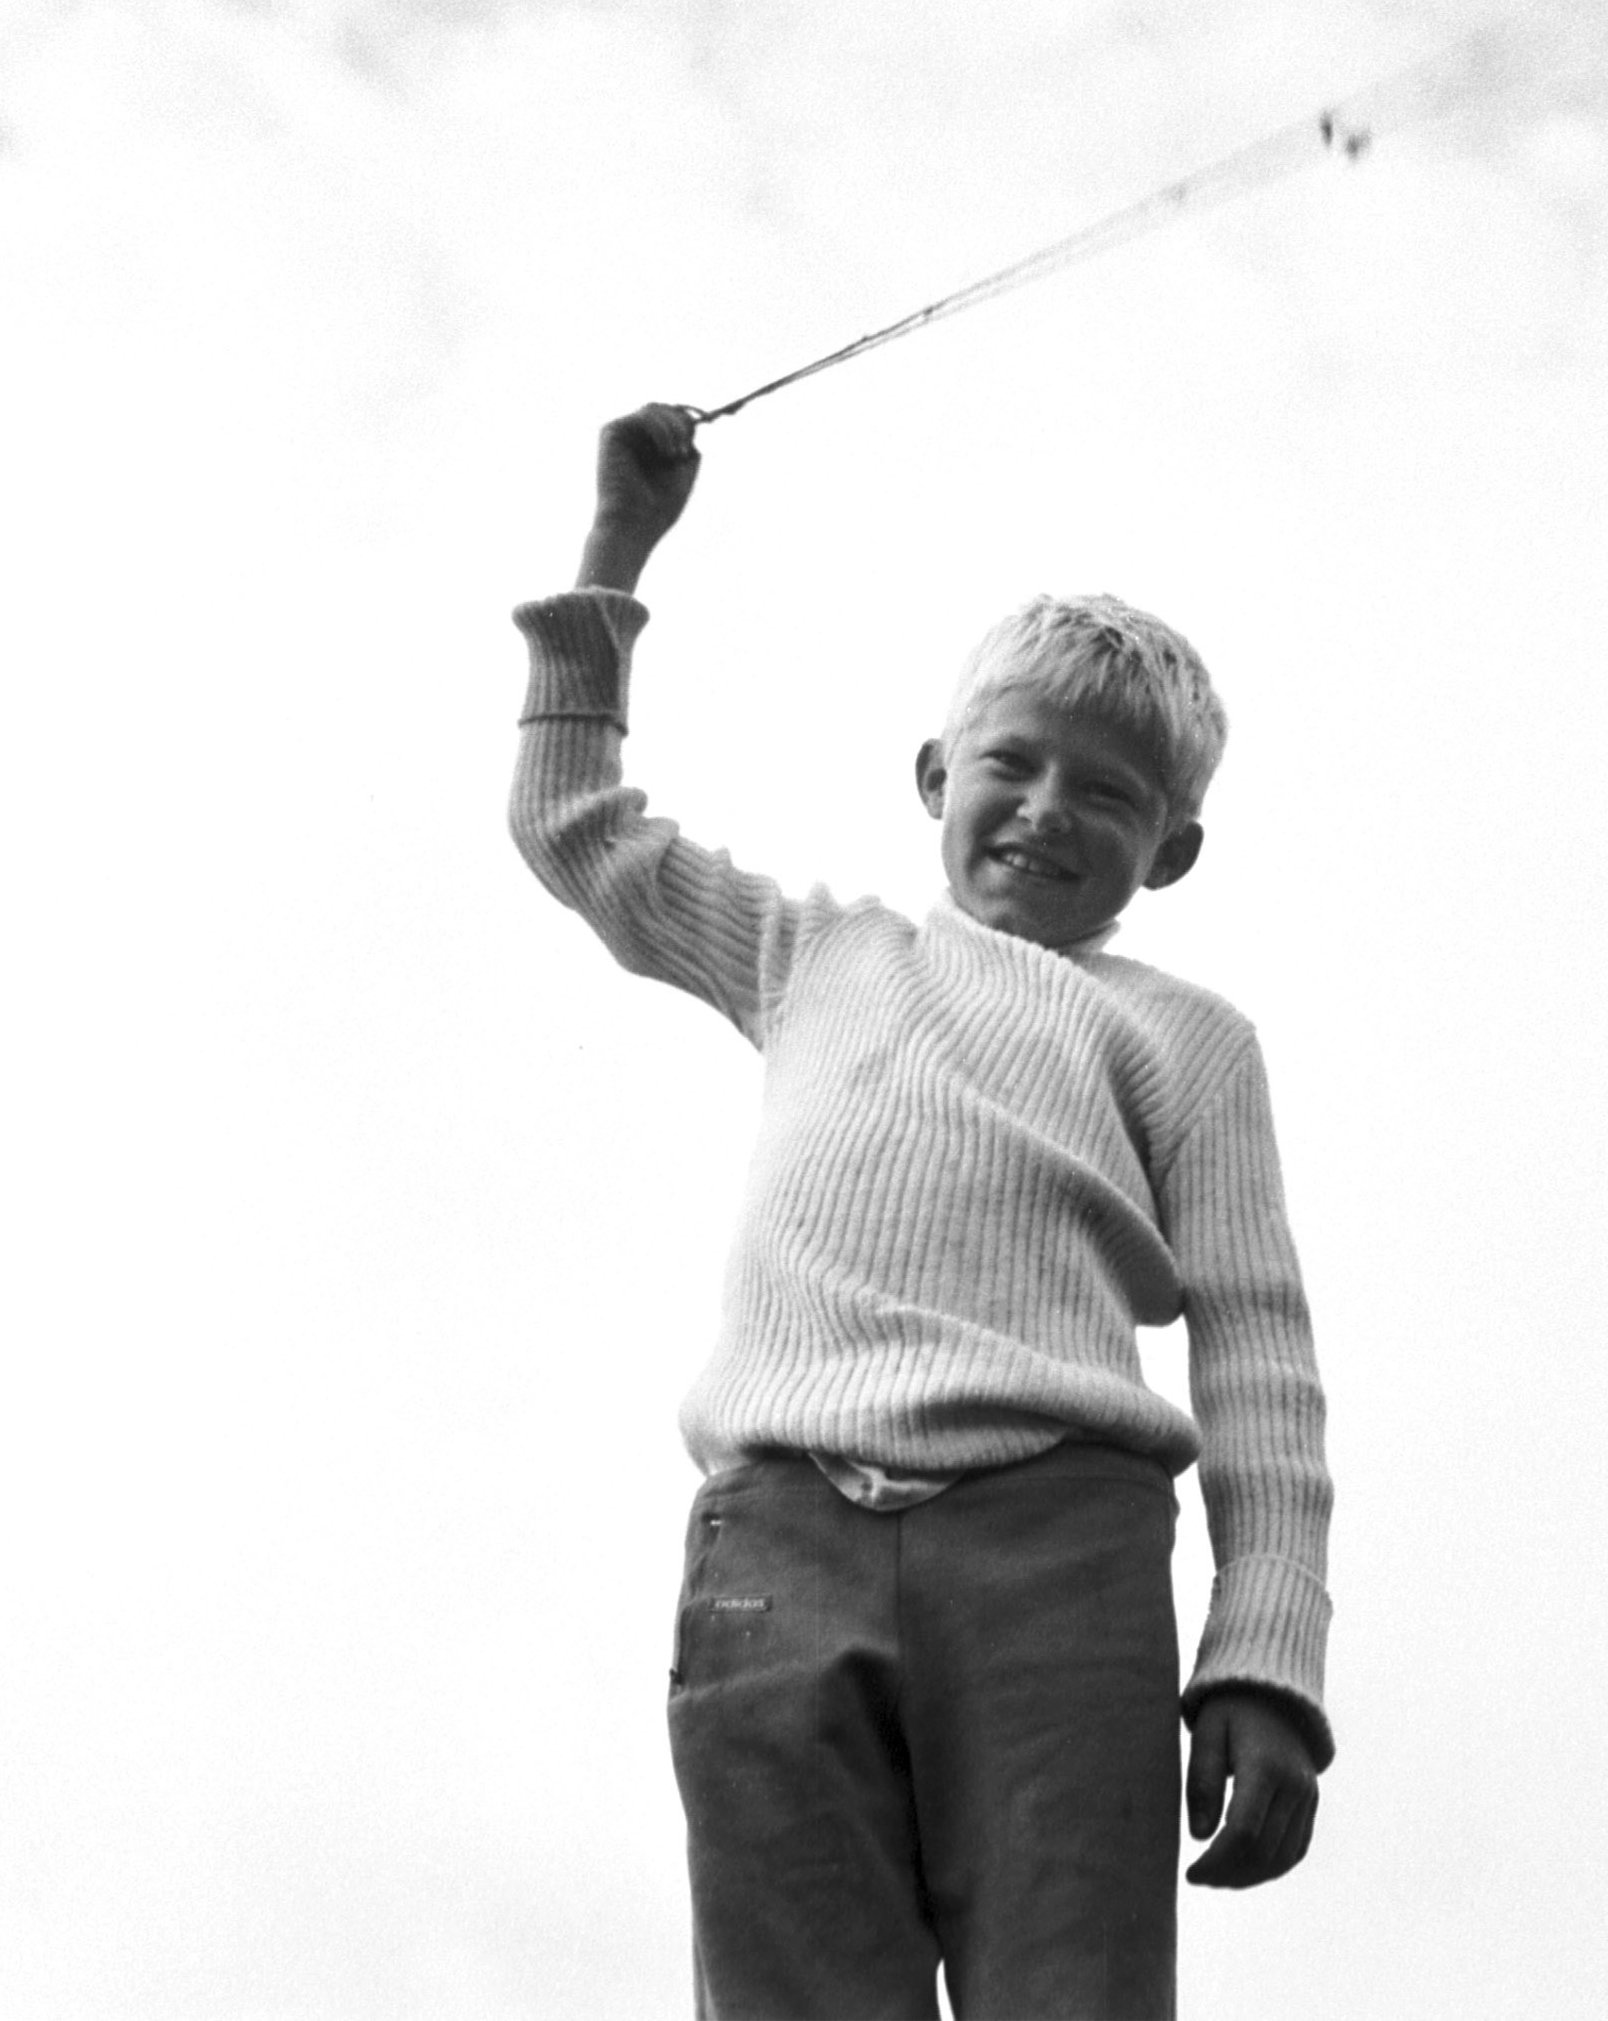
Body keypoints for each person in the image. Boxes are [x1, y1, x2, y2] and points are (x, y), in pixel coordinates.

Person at [509, 403, 1334, 2021]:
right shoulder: (811, 951)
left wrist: (1265, 1658)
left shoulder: (1182, 1035)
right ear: (932, 775)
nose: (1045, 808)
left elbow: (1256, 1350)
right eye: (1010, 765)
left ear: (1170, 849)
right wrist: (617, 547)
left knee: (1068, 1991)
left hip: (1058, 1550)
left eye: (1107, 794)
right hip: (778, 1547)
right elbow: (575, 831)